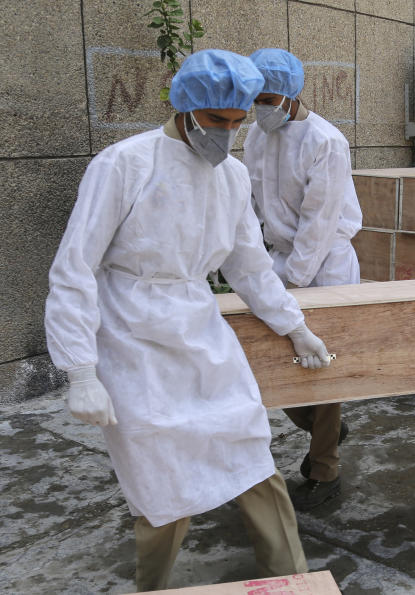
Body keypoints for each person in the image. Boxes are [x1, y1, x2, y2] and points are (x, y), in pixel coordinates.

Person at [44, 49, 333, 591]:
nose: (226, 134)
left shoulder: (230, 176)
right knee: (162, 478)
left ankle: (292, 582)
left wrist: (293, 324)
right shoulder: (124, 163)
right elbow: (75, 267)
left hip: (199, 328)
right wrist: (80, 370)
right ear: (185, 107)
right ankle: (154, 586)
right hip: (132, 335)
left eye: (237, 123)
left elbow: (248, 263)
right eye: (216, 120)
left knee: (249, 447)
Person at [244, 48, 362, 511]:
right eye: (256, 98)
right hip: (279, 257)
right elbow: (256, 205)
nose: (261, 106)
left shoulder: (325, 141)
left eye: (268, 97)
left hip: (325, 262)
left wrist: (288, 288)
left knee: (320, 368)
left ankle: (324, 471)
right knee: (276, 358)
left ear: (292, 94)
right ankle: (322, 428)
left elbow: (318, 224)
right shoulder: (257, 134)